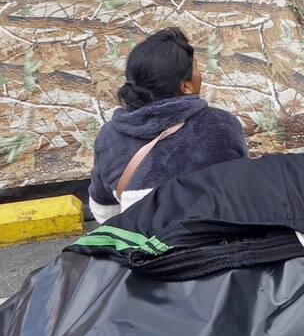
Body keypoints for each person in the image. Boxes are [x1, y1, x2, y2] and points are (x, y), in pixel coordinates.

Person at [87, 28, 248, 223]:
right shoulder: (222, 124)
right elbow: (243, 191)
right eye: (196, 67)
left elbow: (105, 212)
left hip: (145, 247)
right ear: (186, 86)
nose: (200, 73)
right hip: (218, 241)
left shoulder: (109, 136)